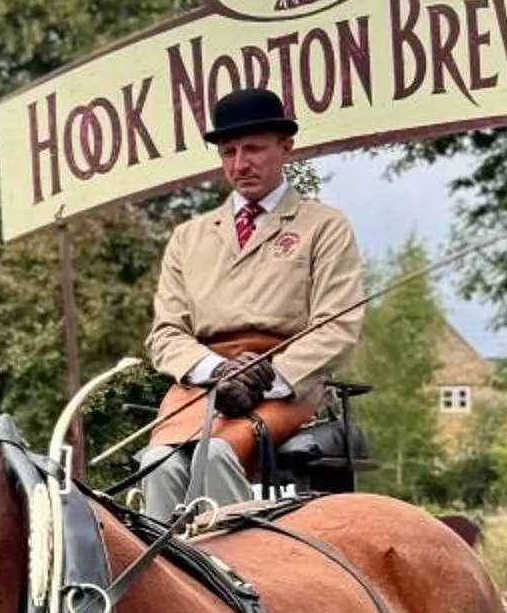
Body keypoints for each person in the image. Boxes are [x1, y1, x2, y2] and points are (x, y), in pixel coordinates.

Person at [137, 85, 364, 521]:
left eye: (254, 149)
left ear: (285, 147)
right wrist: (214, 370)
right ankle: (165, 582)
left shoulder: (324, 227)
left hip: (284, 383)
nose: (240, 164)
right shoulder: (190, 237)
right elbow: (166, 333)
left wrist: (268, 377)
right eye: (229, 152)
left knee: (218, 454)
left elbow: (337, 326)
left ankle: (240, 578)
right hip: (203, 384)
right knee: (156, 465)